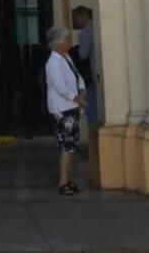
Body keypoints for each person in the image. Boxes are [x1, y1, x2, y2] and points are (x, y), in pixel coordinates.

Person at [45, 24, 85, 195]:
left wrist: (81, 90)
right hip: (63, 109)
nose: (70, 41)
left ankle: (68, 179)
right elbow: (60, 86)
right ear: (59, 42)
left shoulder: (66, 57)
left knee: (71, 146)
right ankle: (63, 181)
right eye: (67, 38)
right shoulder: (53, 62)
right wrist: (76, 98)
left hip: (72, 106)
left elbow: (77, 77)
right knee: (67, 146)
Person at [70, 5, 98, 127]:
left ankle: (93, 143)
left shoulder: (85, 32)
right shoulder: (97, 27)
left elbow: (83, 54)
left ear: (83, 17)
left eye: (77, 19)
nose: (76, 22)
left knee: (91, 110)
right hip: (97, 72)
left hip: (89, 74)